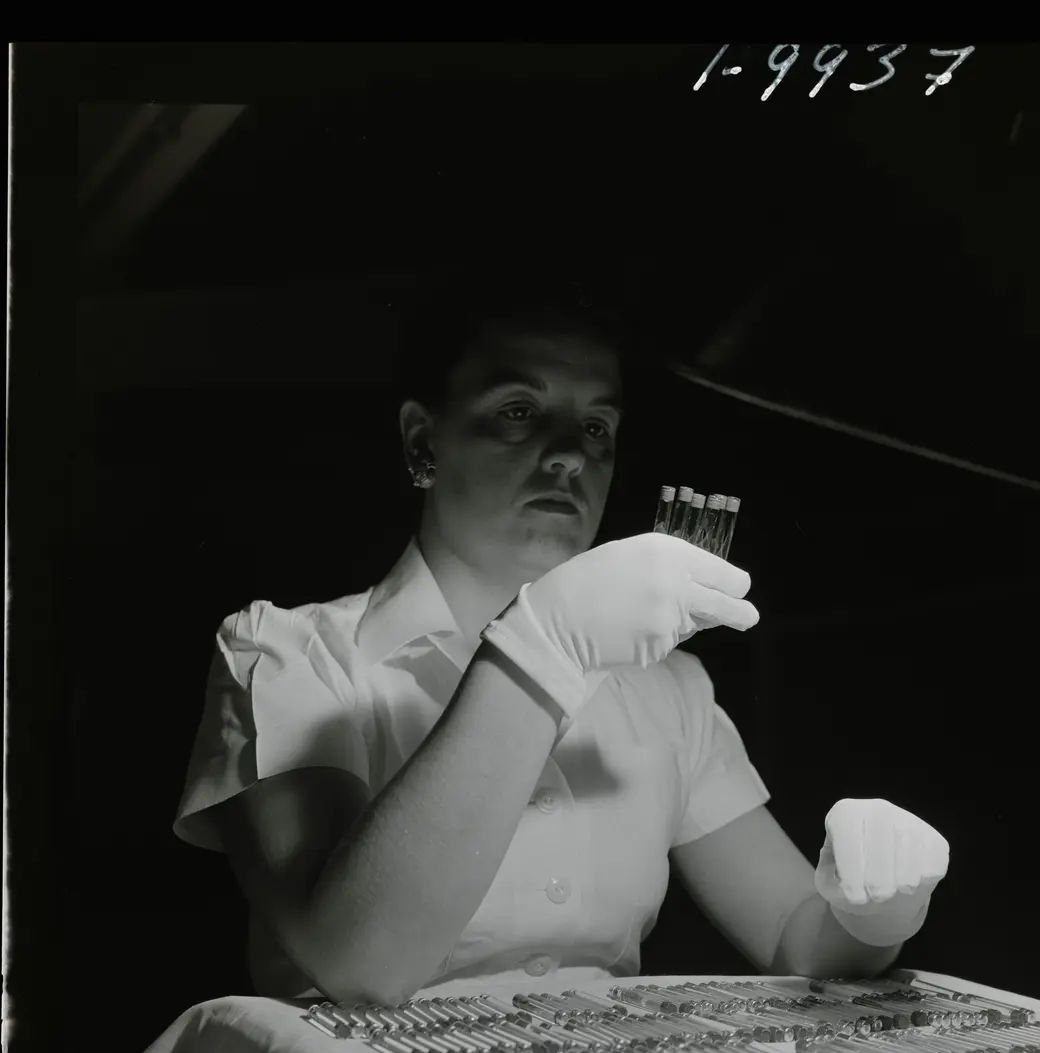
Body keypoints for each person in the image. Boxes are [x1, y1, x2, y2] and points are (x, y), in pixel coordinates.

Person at [174, 273, 950, 1005]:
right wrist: (541, 646)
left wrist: (872, 912)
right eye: (519, 411)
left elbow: (796, 939)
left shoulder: (669, 688)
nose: (571, 455)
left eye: (597, 425)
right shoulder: (288, 655)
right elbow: (358, 964)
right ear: (421, 441)